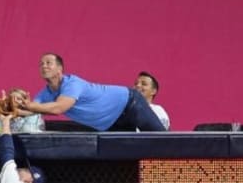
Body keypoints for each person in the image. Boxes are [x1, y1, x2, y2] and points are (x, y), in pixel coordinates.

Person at [17, 53, 167, 131]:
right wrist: (14, 110)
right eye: (41, 64)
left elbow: (58, 108)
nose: (44, 66)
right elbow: (32, 110)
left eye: (48, 63)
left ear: (60, 69)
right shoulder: (44, 94)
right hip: (112, 124)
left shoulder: (72, 83)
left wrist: (29, 106)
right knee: (127, 161)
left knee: (164, 143)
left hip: (131, 105)